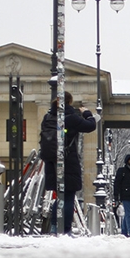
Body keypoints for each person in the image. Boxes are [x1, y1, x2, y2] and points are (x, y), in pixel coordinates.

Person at [42, 91, 98, 236]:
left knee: (58, 196)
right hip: (68, 161)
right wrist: (87, 113)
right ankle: (65, 229)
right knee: (68, 197)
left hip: (51, 163)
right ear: (69, 102)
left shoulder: (48, 117)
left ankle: (54, 227)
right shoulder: (71, 118)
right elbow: (91, 126)